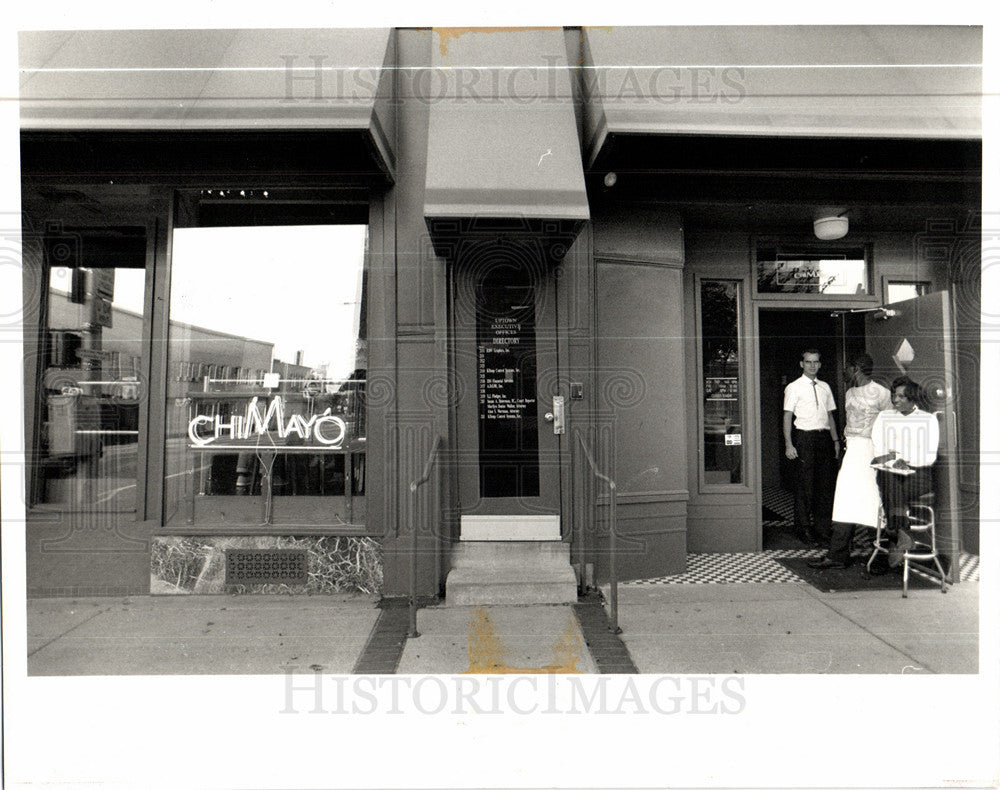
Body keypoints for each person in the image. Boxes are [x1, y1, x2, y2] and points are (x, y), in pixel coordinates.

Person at [809, 353, 892, 569]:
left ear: (856, 368)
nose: (843, 372)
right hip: (852, 449)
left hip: (871, 449)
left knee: (874, 499)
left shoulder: (882, 393)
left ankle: (881, 556)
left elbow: (891, 425)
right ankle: (838, 554)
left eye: (846, 367)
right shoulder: (849, 392)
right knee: (845, 498)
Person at [870, 376, 939, 569]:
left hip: (919, 476)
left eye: (901, 397)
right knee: (888, 476)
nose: (895, 400)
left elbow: (928, 456)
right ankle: (902, 535)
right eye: (894, 396)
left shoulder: (928, 420)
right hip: (890, 473)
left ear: (912, 398)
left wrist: (902, 459)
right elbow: (879, 450)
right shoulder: (884, 417)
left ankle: (894, 533)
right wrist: (894, 460)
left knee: (888, 482)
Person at [783, 348, 840, 545]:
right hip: (804, 438)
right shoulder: (794, 387)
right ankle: (804, 528)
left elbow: (831, 415)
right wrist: (789, 444)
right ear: (801, 364)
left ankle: (822, 530)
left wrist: (835, 441)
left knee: (824, 486)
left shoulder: (825, 387)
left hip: (823, 438)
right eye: (808, 362)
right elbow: (787, 416)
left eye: (816, 362)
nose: (812, 365)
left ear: (820, 364)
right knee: (805, 485)